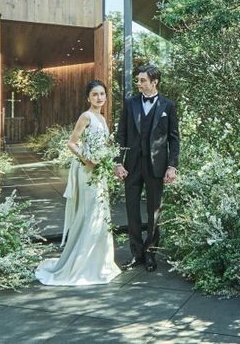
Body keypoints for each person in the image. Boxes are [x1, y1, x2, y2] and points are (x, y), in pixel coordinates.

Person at [35, 79, 121, 286]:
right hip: (87, 171)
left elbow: (103, 145)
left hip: (100, 171)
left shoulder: (102, 118)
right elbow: (71, 143)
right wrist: (87, 159)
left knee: (100, 213)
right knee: (89, 212)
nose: (99, 98)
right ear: (88, 98)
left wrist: (106, 161)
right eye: (95, 94)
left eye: (102, 94)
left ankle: (99, 262)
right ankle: (82, 264)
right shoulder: (86, 116)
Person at [114, 64, 179, 272]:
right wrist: (118, 162)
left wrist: (172, 166)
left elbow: (174, 139)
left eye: (143, 80)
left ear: (154, 82)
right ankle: (136, 253)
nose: (139, 83)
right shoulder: (130, 103)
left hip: (156, 166)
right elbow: (121, 135)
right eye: (138, 80)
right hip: (132, 166)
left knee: (154, 211)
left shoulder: (168, 106)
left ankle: (150, 254)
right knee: (132, 210)